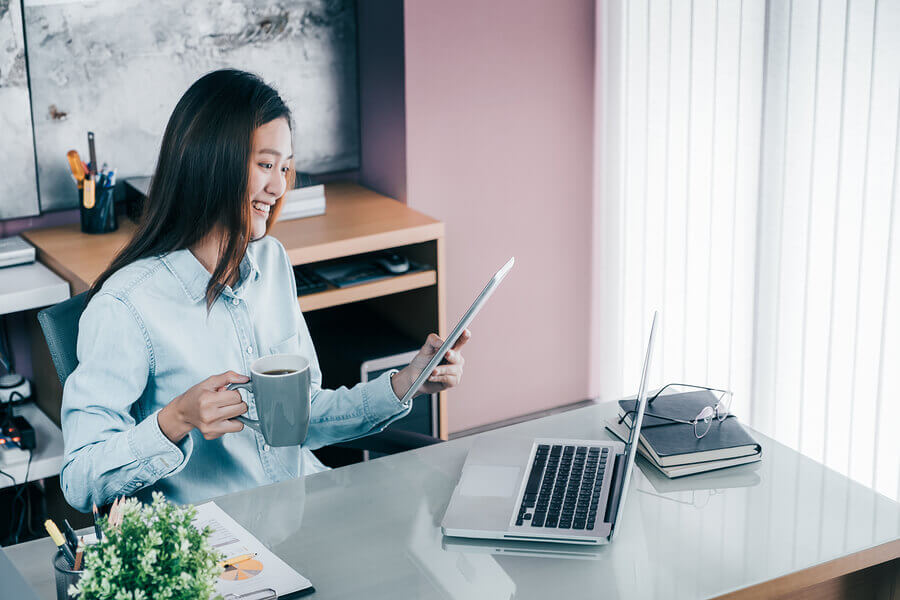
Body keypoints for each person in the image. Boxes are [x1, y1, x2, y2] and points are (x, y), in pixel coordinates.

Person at [59, 69, 469, 512]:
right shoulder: (127, 305)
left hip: (304, 507)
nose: (279, 187)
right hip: (222, 550)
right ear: (213, 161)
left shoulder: (270, 261)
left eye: (286, 168)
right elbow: (80, 480)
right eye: (266, 165)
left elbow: (302, 419)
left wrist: (407, 382)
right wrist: (174, 419)